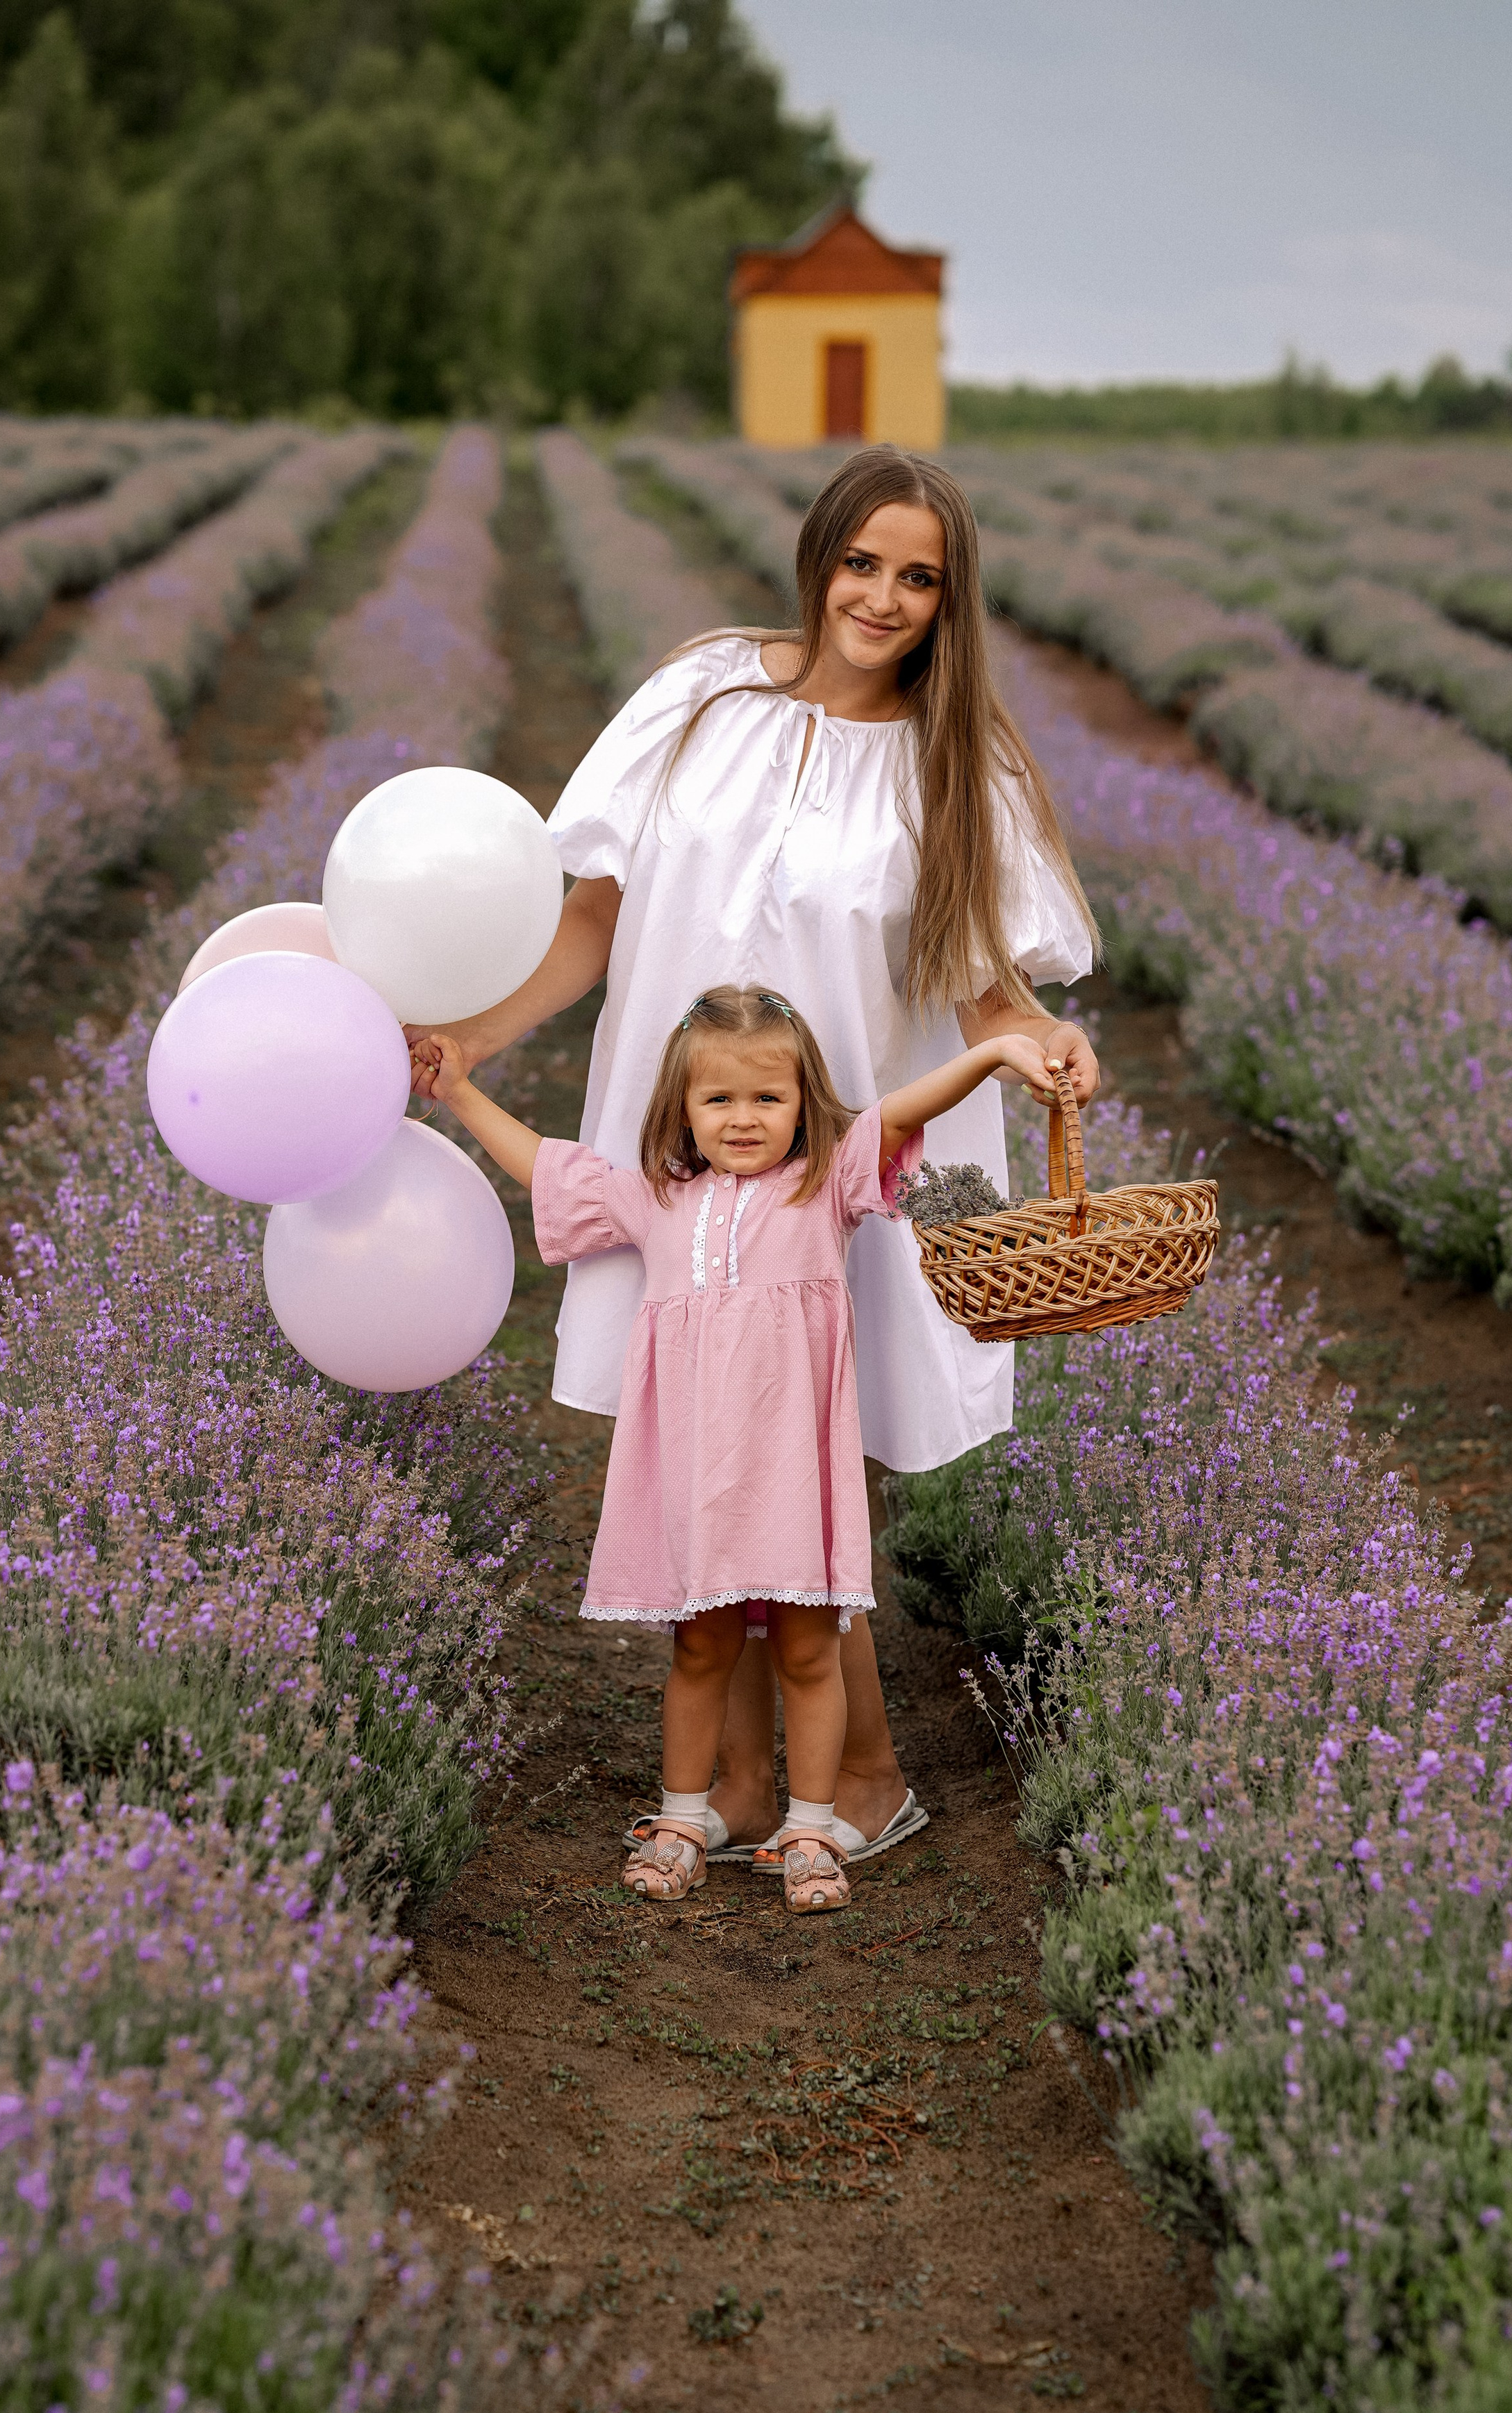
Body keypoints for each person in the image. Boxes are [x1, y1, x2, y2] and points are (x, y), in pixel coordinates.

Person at [407, 444, 1100, 1871]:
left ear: (950, 598)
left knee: (805, 1459)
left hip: (837, 1158)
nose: (883, 599)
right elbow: (594, 915)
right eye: (862, 564)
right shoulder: (702, 696)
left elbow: (986, 988)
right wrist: (465, 1041)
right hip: (680, 1142)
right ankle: (735, 1787)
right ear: (818, 558)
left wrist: (1040, 1042)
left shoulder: (954, 765)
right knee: (708, 1447)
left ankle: (862, 1778)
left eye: (919, 578)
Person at [410, 987, 1062, 1912]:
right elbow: (549, 1170)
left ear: (804, 1105)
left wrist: (994, 1055)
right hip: (698, 1480)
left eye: (768, 1098)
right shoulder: (656, 1202)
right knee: (701, 1648)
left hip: (793, 1476)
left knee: (810, 1650)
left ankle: (811, 1828)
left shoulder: (822, 1188)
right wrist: (460, 1092)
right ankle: (685, 1818)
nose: (744, 1118)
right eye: (718, 1099)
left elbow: (900, 1111)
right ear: (683, 1108)